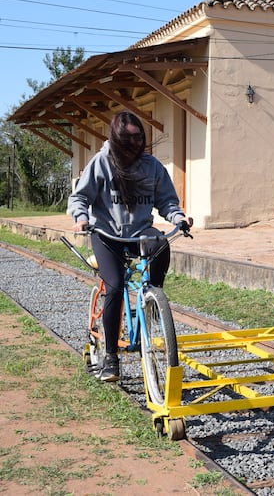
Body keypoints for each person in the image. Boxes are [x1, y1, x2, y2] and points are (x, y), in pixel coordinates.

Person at [67, 110, 193, 382]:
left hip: (139, 233)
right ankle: (111, 358)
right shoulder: (101, 162)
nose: (135, 142)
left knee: (160, 243)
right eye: (129, 137)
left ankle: (152, 298)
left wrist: (178, 217)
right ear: (116, 137)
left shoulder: (152, 166)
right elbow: (80, 198)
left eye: (139, 137)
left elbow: (167, 201)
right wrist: (80, 219)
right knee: (114, 287)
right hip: (106, 234)